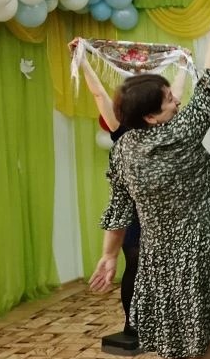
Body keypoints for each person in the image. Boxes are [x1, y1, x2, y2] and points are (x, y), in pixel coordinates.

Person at [89, 0, 210, 359]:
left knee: (168, 349)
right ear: (152, 115)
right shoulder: (178, 134)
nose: (177, 98)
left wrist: (109, 255)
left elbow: (119, 209)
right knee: (202, 345)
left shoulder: (124, 149)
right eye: (169, 97)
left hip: (156, 258)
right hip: (199, 253)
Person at [80, 56, 187, 340]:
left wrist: (183, 66)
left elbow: (176, 94)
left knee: (157, 269)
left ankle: (157, 324)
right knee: (136, 266)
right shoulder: (129, 131)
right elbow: (98, 94)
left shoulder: (165, 126)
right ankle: (134, 326)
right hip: (141, 213)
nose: (173, 101)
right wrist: (82, 61)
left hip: (164, 213)